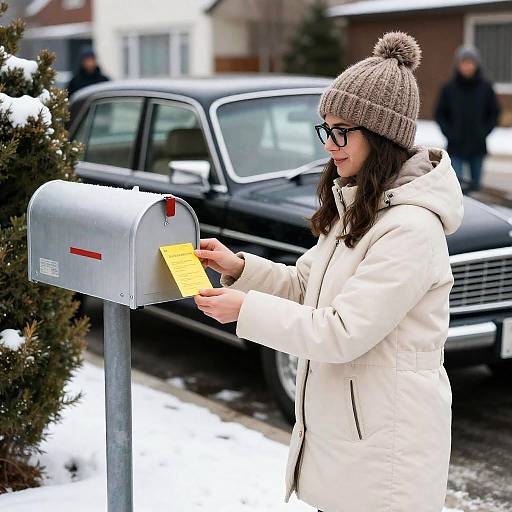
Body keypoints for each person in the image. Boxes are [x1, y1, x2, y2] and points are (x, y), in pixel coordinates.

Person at [193, 31, 464, 512]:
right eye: (325, 130)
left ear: (381, 136)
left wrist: (245, 310)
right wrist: (238, 269)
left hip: (388, 452)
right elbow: (305, 286)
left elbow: (343, 330)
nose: (330, 146)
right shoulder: (356, 205)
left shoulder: (410, 228)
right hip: (352, 439)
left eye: (342, 132)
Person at [434, 45, 501, 192]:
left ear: (476, 65)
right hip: (455, 146)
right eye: (463, 62)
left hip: (477, 147)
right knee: (455, 188)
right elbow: (439, 114)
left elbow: (494, 113)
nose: (467, 66)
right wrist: (450, 133)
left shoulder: (486, 88)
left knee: (477, 190)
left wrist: (482, 132)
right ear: (458, 64)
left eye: (470, 62)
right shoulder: (448, 88)